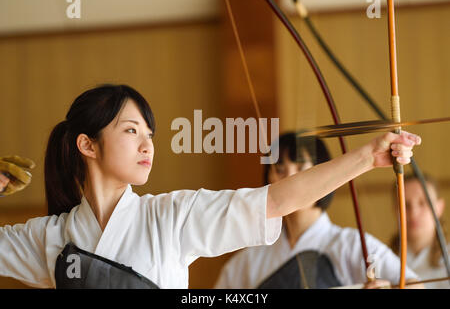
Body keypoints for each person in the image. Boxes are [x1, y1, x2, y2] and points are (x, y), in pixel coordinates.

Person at [0, 84, 421, 289]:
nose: (148, 145)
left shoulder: (171, 216)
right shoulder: (51, 237)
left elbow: (274, 200)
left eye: (151, 134)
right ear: (87, 144)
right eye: (131, 131)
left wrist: (368, 157)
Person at [215, 133, 421, 289]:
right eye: (279, 170)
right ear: (268, 178)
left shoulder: (350, 245)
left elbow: (414, 284)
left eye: (301, 168)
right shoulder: (249, 260)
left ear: (323, 177)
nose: (289, 179)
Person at [390, 174, 450, 288]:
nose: (413, 213)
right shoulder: (383, 259)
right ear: (395, 209)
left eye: (423, 203)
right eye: (405, 205)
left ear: (439, 207)